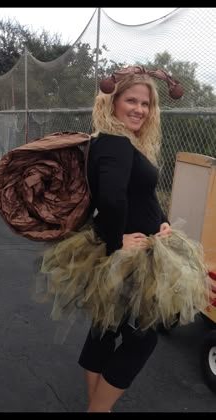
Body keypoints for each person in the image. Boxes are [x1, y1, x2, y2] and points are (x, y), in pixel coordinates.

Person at [39, 66, 207, 412]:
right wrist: (118, 243)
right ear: (112, 102)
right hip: (131, 259)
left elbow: (135, 197)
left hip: (133, 247)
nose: (139, 109)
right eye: (131, 100)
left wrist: (161, 223)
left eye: (145, 104)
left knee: (106, 328)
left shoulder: (116, 142)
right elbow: (112, 199)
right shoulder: (115, 143)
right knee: (141, 340)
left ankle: (96, 407)